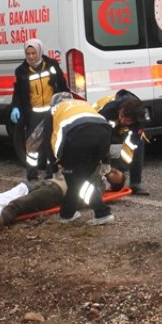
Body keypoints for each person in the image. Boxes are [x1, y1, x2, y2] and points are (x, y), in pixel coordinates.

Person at [0, 167, 125, 232]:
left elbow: (81, 199)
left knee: (18, 205)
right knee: (9, 195)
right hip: (50, 182)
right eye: (115, 170)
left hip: (57, 191)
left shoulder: (99, 187)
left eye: (115, 174)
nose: (112, 171)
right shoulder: (96, 167)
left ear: (112, 185)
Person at [50, 93, 116, 225]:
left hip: (78, 137)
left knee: (78, 181)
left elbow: (50, 139)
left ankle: (103, 212)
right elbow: (96, 125)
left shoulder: (54, 110)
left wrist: (55, 165)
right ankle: (67, 214)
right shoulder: (82, 104)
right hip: (104, 133)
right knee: (76, 179)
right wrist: (106, 161)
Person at [9, 38, 68, 180]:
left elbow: (61, 84)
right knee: (32, 147)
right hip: (34, 114)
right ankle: (32, 176)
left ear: (39, 51)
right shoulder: (21, 71)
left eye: (33, 53)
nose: (30, 56)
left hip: (52, 111)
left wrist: (67, 99)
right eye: (28, 53)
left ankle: (51, 174)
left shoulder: (51, 65)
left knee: (51, 144)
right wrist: (15, 107)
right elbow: (18, 93)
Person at [94, 89, 149, 196]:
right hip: (99, 121)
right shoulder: (109, 109)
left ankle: (135, 183)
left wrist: (122, 169)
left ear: (135, 119)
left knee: (138, 145)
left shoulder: (141, 119)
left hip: (120, 125)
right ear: (120, 110)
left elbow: (134, 142)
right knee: (106, 146)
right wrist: (107, 162)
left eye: (127, 120)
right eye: (122, 116)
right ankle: (99, 179)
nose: (123, 120)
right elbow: (100, 135)